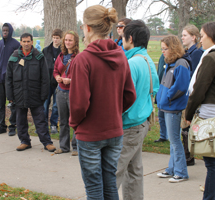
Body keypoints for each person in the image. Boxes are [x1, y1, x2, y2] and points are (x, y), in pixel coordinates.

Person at [69, 5, 136, 199]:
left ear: (88, 28)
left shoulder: (84, 59)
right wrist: (113, 112)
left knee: (94, 189)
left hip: (90, 133)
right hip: (114, 131)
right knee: (109, 185)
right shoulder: (121, 56)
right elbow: (130, 95)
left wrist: (75, 123)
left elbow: (79, 103)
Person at [185, 21, 215, 200]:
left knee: (213, 163)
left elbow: (199, 89)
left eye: (203, 36)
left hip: (209, 113)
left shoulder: (213, 57)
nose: (201, 40)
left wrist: (188, 114)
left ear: (211, 36)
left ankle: (210, 197)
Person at [115, 20, 159, 200]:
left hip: (130, 125)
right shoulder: (147, 59)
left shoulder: (132, 63)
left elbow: (124, 98)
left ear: (130, 38)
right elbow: (154, 89)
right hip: (141, 122)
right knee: (134, 170)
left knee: (113, 172)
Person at [6, 33, 56, 152]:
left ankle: (47, 142)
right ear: (20, 42)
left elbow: (45, 78)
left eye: (28, 41)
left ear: (32, 42)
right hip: (19, 95)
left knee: (40, 121)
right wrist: (10, 96)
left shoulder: (39, 56)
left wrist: (44, 95)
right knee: (20, 120)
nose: (26, 43)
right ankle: (25, 141)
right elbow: (8, 78)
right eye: (24, 41)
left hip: (35, 95)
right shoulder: (14, 57)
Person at [156, 35, 190, 183]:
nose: (163, 52)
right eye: (162, 49)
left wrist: (168, 97)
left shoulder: (181, 63)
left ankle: (181, 172)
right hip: (167, 106)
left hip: (173, 107)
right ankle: (172, 168)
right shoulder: (171, 63)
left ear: (173, 48)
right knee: (172, 140)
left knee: (175, 140)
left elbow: (181, 86)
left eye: (165, 49)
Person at [53, 30, 79, 156]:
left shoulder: (79, 57)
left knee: (74, 121)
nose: (68, 42)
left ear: (75, 42)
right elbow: (55, 70)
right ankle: (63, 147)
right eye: (66, 40)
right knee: (63, 120)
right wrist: (57, 77)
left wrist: (71, 80)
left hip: (73, 93)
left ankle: (76, 147)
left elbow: (83, 76)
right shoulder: (61, 56)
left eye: (70, 40)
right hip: (61, 92)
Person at [180, 24, 204, 166]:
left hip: (190, 94)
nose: (182, 37)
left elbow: (194, 76)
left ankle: (188, 156)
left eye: (185, 35)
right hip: (186, 94)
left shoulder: (196, 54)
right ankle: (187, 155)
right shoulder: (188, 52)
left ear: (193, 37)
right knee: (184, 127)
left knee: (187, 126)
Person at [0, 23, 20, 136]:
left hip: (11, 80)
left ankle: (12, 126)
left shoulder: (16, 44)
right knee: (1, 104)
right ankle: (1, 126)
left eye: (7, 31)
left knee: (12, 103)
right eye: (3, 30)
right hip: (0, 79)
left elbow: (20, 59)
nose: (5, 32)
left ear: (10, 31)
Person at [42, 29, 63, 134]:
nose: (55, 40)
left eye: (57, 38)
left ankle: (53, 124)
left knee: (56, 105)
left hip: (58, 83)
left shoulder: (63, 52)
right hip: (47, 82)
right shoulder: (45, 51)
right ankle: (43, 124)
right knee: (45, 105)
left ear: (60, 39)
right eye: (54, 38)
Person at [154, 53, 168, 143]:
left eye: (165, 48)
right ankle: (163, 135)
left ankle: (171, 136)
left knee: (170, 116)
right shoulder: (162, 56)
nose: (163, 50)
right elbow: (159, 72)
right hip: (161, 87)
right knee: (161, 115)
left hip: (168, 89)